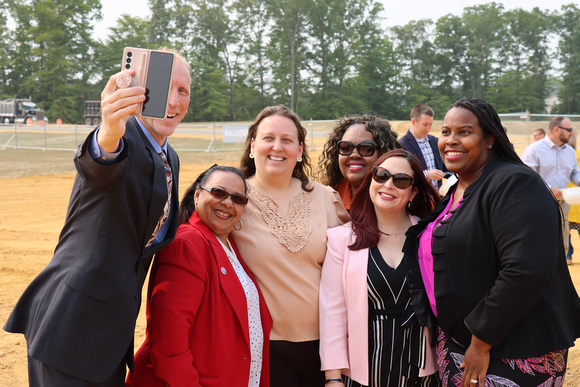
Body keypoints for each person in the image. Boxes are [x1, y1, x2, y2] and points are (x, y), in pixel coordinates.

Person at [3, 48, 191, 385]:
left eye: (183, 91)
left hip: (107, 338)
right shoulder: (124, 136)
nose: (174, 101)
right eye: (166, 88)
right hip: (71, 328)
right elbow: (98, 164)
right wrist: (108, 131)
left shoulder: (170, 157)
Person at [408, 98, 580, 386]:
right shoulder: (458, 187)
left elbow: (526, 270)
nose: (451, 140)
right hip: (458, 341)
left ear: (489, 139)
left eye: (464, 132)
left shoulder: (513, 183)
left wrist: (480, 343)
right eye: (446, 131)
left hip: (509, 349)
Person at [233, 105, 350, 386]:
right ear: (252, 146)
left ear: (299, 150)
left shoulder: (325, 198)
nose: (277, 147)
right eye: (268, 138)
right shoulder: (233, 200)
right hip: (263, 350)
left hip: (327, 349)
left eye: (287, 140)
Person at [126, 165, 272, 386]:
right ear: (197, 194)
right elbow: (169, 343)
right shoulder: (187, 244)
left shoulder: (228, 243)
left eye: (238, 199)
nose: (227, 203)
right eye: (218, 192)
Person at [319, 149, 441, 387]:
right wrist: (332, 377)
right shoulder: (342, 239)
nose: (388, 185)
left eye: (401, 180)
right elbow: (332, 312)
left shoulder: (429, 235)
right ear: (371, 180)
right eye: (381, 175)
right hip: (364, 370)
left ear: (413, 191)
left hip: (421, 369)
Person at [521, 115, 580, 263]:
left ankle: (560, 271)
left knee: (562, 243)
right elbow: (525, 176)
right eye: (569, 130)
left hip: (562, 203)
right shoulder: (534, 150)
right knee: (539, 240)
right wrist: (548, 188)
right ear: (557, 130)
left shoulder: (570, 152)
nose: (571, 133)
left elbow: (575, 174)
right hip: (538, 203)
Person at [317, 115, 401, 211]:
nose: (354, 155)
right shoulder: (326, 201)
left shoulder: (398, 203)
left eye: (365, 148)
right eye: (346, 147)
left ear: (383, 154)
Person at [399, 104, 448, 188]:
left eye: (430, 124)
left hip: (438, 196)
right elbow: (401, 175)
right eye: (425, 124)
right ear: (414, 122)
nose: (428, 129)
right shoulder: (401, 145)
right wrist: (426, 175)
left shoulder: (435, 141)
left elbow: (445, 167)